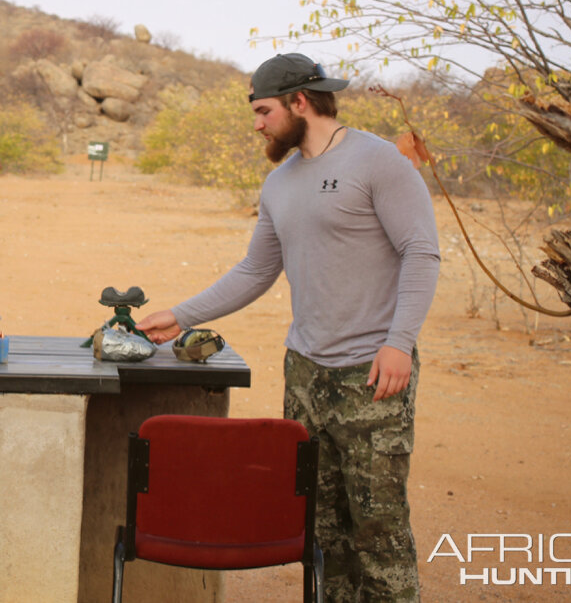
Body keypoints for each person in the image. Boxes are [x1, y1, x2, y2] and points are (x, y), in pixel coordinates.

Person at [137, 52, 440, 602]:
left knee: (378, 525)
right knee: (319, 526)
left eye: (263, 111)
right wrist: (181, 315)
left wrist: (399, 344)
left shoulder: (378, 161)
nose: (257, 124)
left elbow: (421, 252)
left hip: (371, 372)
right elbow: (256, 270)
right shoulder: (280, 182)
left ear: (300, 102)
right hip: (305, 372)